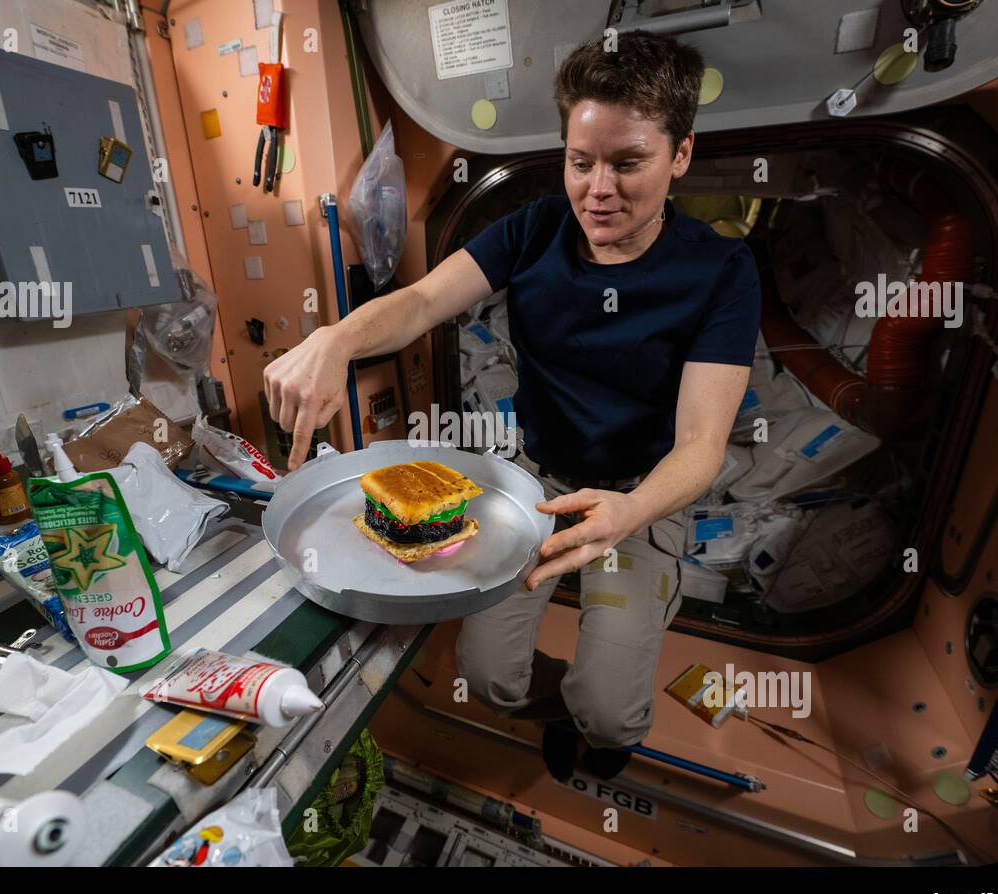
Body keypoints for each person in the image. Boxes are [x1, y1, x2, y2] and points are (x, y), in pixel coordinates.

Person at [263, 31, 761, 782]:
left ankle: (597, 727)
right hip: (538, 483)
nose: (598, 190)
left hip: (639, 495)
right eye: (580, 161)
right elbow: (425, 299)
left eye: (628, 163)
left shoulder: (721, 270)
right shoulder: (533, 231)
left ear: (680, 155)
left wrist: (628, 514)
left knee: (614, 713)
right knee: (491, 679)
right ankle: (563, 710)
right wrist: (335, 338)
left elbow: (700, 444)